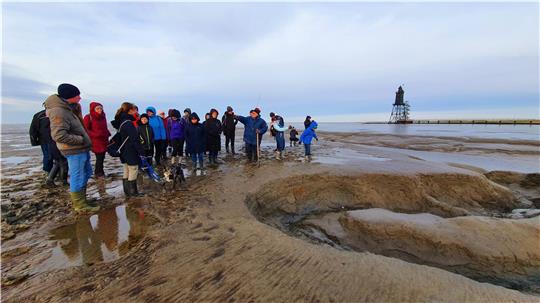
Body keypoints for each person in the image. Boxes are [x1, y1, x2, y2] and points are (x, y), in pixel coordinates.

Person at [45, 83, 99, 213]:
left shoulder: (68, 108)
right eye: (77, 96)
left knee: (86, 172)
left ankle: (83, 199)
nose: (80, 98)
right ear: (69, 97)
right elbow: (59, 135)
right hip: (73, 150)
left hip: (81, 148)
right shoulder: (59, 111)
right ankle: (80, 205)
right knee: (78, 175)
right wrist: (80, 140)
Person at [112, 102, 145, 196]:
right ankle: (133, 193)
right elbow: (135, 140)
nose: (136, 112)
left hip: (123, 150)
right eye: (135, 110)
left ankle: (127, 192)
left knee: (126, 169)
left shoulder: (121, 121)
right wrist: (141, 152)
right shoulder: (128, 123)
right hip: (130, 150)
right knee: (133, 169)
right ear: (130, 110)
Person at [83, 102, 111, 179]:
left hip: (104, 140)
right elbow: (85, 130)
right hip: (95, 141)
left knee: (102, 157)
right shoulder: (88, 117)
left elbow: (104, 127)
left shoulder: (103, 116)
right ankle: (99, 174)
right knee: (99, 157)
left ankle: (100, 172)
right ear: (93, 109)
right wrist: (96, 134)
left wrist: (108, 133)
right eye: (97, 108)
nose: (100, 110)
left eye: (101, 108)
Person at [29, 108, 54, 173]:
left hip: (54, 139)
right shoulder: (39, 115)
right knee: (48, 156)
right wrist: (34, 141)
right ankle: (48, 172)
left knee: (54, 157)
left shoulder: (58, 112)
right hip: (45, 139)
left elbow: (33, 130)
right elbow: (33, 129)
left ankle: (53, 172)